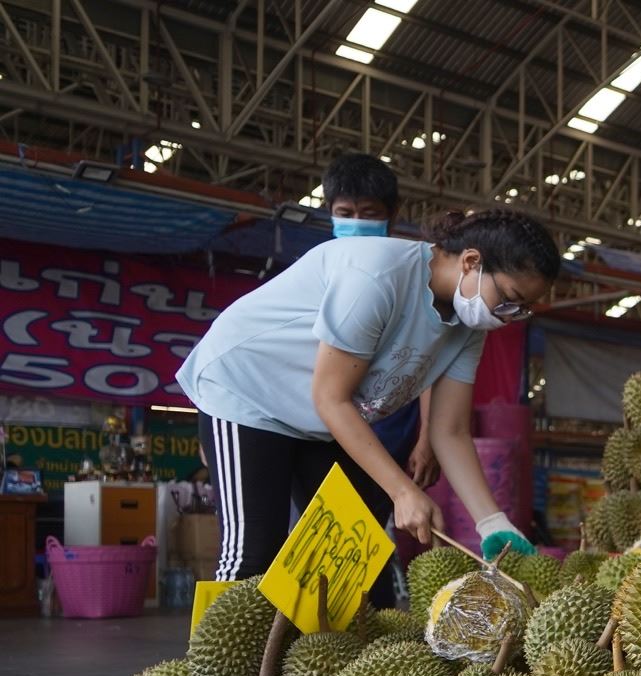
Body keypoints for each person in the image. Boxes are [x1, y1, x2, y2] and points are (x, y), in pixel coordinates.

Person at [175, 209, 551, 583]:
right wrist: (403, 492)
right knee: (253, 554)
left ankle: (297, 641)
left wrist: (492, 523)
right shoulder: (378, 274)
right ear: (471, 261)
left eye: (521, 310)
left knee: (345, 553)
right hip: (248, 390)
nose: (508, 317)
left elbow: (449, 430)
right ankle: (206, 644)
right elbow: (330, 397)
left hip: (316, 419)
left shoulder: (469, 324)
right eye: (509, 300)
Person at [321, 152, 438, 607]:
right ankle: (335, 632)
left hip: (389, 429)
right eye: (345, 214)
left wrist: (426, 436)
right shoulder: (323, 265)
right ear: (329, 212)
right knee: (328, 537)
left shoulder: (406, 274)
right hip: (326, 425)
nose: (356, 223)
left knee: (371, 533)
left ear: (391, 215)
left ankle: (377, 625)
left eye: (368, 215)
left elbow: (427, 361)